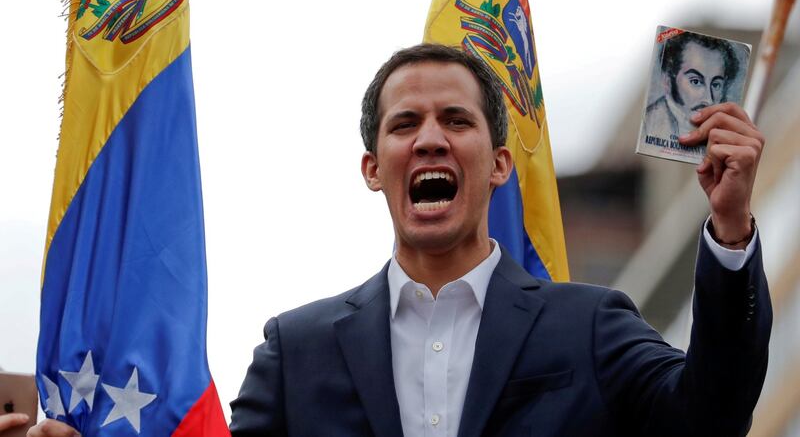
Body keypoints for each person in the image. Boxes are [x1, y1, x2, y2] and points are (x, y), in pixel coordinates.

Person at [28, 44, 770, 436]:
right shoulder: (297, 353)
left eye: (456, 121)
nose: (430, 141)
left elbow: (709, 417)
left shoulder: (592, 325)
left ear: (500, 164)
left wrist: (730, 229)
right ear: (373, 168)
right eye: (405, 125)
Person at [645, 32, 740, 139]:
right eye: (695, 82)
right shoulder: (647, 126)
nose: (708, 99)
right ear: (667, 80)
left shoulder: (723, 132)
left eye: (716, 85)